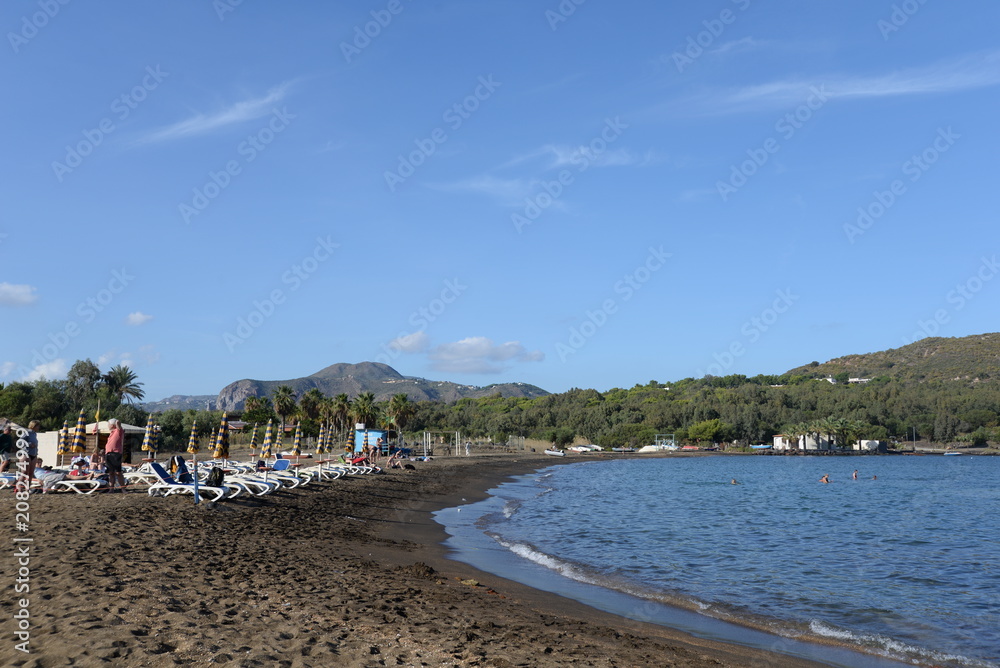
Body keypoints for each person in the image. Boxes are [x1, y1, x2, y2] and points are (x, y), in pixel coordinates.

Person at [104, 419, 126, 492]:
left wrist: (116, 421)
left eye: (108, 424)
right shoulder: (112, 432)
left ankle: (123, 488)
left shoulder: (118, 431)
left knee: (118, 473)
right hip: (108, 454)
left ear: (112, 425)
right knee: (111, 472)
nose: (108, 426)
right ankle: (111, 489)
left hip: (115, 454)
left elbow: (118, 423)